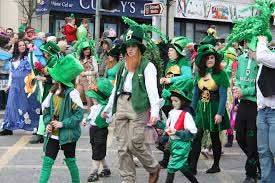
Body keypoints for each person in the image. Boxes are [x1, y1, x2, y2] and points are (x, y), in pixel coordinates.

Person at [102, 25, 161, 183]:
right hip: (122, 104)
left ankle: (153, 167)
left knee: (135, 143)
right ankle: (128, 179)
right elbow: (115, 89)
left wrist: (155, 112)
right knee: (122, 147)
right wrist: (108, 108)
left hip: (138, 105)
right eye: (128, 46)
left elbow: (152, 91)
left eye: (133, 46)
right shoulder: (122, 65)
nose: (130, 49)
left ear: (139, 48)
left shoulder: (148, 66)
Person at [38, 54, 84, 183]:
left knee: (70, 161)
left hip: (68, 134)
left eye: (55, 75)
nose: (52, 77)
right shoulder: (52, 91)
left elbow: (79, 115)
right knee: (47, 162)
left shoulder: (73, 93)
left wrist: (63, 124)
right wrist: (48, 123)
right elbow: (45, 110)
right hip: (52, 134)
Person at [189, 44, 230, 174]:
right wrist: (190, 111)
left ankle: (216, 165)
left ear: (215, 59)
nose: (210, 60)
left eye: (212, 57)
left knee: (214, 137)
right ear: (203, 61)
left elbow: (223, 96)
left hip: (214, 108)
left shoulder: (221, 74)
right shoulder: (199, 74)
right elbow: (195, 95)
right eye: (207, 58)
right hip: (202, 108)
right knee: (196, 137)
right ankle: (192, 167)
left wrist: (219, 113)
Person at [155, 79, 198, 183]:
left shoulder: (186, 115)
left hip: (182, 145)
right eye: (172, 100)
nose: (174, 103)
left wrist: (177, 132)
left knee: (171, 167)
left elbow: (192, 132)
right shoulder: (172, 112)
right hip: (173, 143)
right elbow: (168, 127)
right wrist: (156, 123)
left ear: (182, 101)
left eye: (176, 101)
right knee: (183, 167)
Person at [0, 40, 41, 135]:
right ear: (16, 48)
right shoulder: (12, 59)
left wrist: (35, 82)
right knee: (11, 106)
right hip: (14, 86)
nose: (22, 47)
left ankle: (36, 126)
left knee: (30, 105)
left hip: (27, 86)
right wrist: (9, 85)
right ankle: (8, 127)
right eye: (20, 45)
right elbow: (11, 73)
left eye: (23, 45)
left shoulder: (30, 56)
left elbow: (36, 69)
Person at [234, 38, 260, 183]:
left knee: (251, 141)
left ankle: (250, 174)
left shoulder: (261, 60)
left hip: (255, 106)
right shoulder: (241, 59)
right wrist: (237, 88)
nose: (248, 45)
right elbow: (238, 78)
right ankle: (258, 163)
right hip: (243, 104)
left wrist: (245, 91)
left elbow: (260, 86)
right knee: (240, 138)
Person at [29, 41, 61, 144]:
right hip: (49, 88)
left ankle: (42, 133)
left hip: (52, 88)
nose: (43, 53)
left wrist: (42, 78)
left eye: (45, 51)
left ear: (49, 52)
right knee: (47, 109)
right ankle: (43, 132)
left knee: (46, 109)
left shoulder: (54, 60)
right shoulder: (52, 59)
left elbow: (56, 79)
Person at [83, 78, 113, 182]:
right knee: (97, 150)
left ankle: (94, 172)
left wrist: (106, 116)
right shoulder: (95, 107)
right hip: (93, 130)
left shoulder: (106, 108)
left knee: (97, 151)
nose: (92, 99)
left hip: (101, 130)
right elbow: (91, 116)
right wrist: (86, 120)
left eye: (94, 97)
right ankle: (106, 168)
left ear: (100, 98)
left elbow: (110, 119)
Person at [256, 35, 275, 183]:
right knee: (264, 152)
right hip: (262, 111)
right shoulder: (269, 56)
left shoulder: (267, 56)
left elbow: (261, 55)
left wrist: (262, 41)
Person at [75, 40, 98, 111]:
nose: (87, 51)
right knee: (75, 96)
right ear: (82, 50)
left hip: (89, 81)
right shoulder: (79, 59)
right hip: (80, 81)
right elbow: (78, 70)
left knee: (90, 100)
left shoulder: (92, 58)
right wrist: (77, 79)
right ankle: (75, 112)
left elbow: (96, 71)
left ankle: (91, 117)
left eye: (88, 49)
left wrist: (85, 73)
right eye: (85, 49)